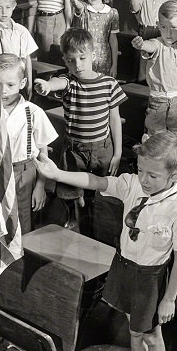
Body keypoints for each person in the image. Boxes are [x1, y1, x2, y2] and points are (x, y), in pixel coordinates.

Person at [34, 133, 177, 351]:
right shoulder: (133, 184)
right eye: (140, 170)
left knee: (152, 335)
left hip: (150, 277)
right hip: (125, 267)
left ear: (174, 176)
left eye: (152, 175)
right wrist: (56, 173)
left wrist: (169, 298)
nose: (143, 179)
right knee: (134, 332)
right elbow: (96, 182)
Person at [34, 29, 126, 234]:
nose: (78, 65)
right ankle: (73, 215)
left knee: (98, 191)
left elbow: (114, 120)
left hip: (102, 149)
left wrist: (118, 153)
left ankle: (92, 221)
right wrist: (48, 85)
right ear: (65, 61)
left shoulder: (109, 84)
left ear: (94, 55)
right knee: (69, 189)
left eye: (83, 58)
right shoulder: (70, 82)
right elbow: (59, 82)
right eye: (71, 60)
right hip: (75, 149)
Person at [0, 54, 57, 234]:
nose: (4, 90)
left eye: (10, 85)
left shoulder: (33, 112)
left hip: (25, 173)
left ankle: (21, 259)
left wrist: (40, 185)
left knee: (23, 219)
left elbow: (43, 154)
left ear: (22, 84)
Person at [131, 0, 177, 144]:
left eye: (174, 27)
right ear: (158, 25)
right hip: (158, 104)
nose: (168, 33)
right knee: (156, 143)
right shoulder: (158, 44)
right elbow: (150, 46)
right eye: (163, 27)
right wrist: (142, 44)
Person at [0, 0, 38, 93]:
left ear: (14, 6)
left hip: (19, 81)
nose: (4, 12)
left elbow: (27, 58)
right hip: (0, 82)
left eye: (8, 7)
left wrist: (29, 82)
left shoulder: (21, 31)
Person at [72, 0, 120, 77]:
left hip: (105, 60)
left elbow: (113, 40)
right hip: (85, 58)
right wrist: (74, 1)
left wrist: (114, 65)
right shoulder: (84, 9)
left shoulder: (112, 13)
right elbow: (79, 7)